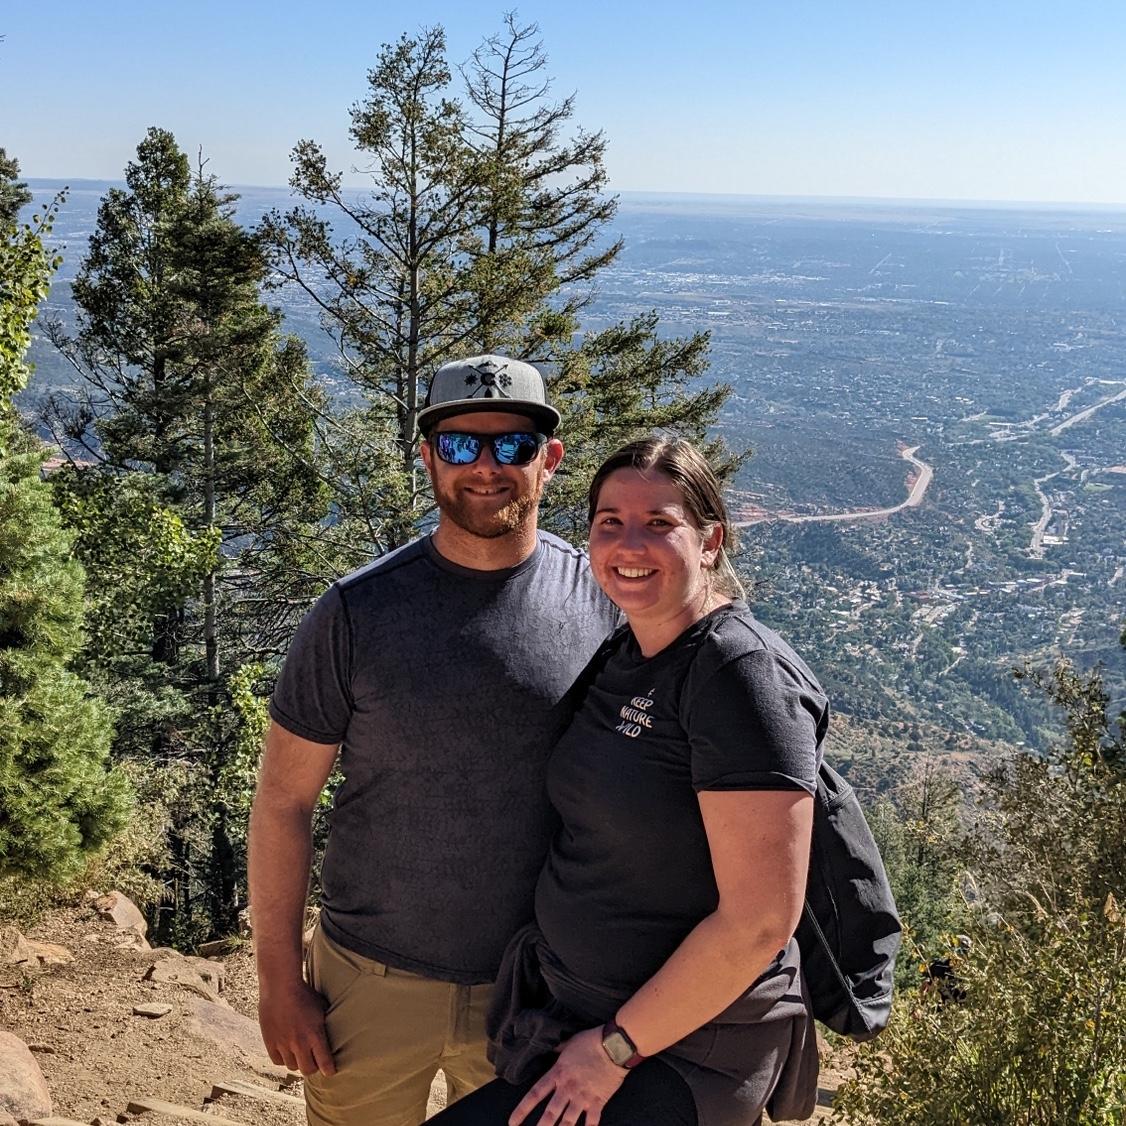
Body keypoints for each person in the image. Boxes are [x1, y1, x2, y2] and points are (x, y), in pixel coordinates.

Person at [248, 355, 619, 1126]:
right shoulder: (354, 613)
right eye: (459, 446)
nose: (485, 467)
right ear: (428, 459)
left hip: (539, 991)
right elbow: (284, 801)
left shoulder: (604, 606)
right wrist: (279, 981)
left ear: (548, 461)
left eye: (512, 447)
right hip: (367, 985)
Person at [431, 437, 825, 1126]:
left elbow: (760, 922)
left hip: (682, 1050)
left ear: (710, 541)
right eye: (609, 522)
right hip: (584, 1019)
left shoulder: (739, 676)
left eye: (660, 523)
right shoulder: (628, 651)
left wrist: (615, 1049)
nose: (629, 543)